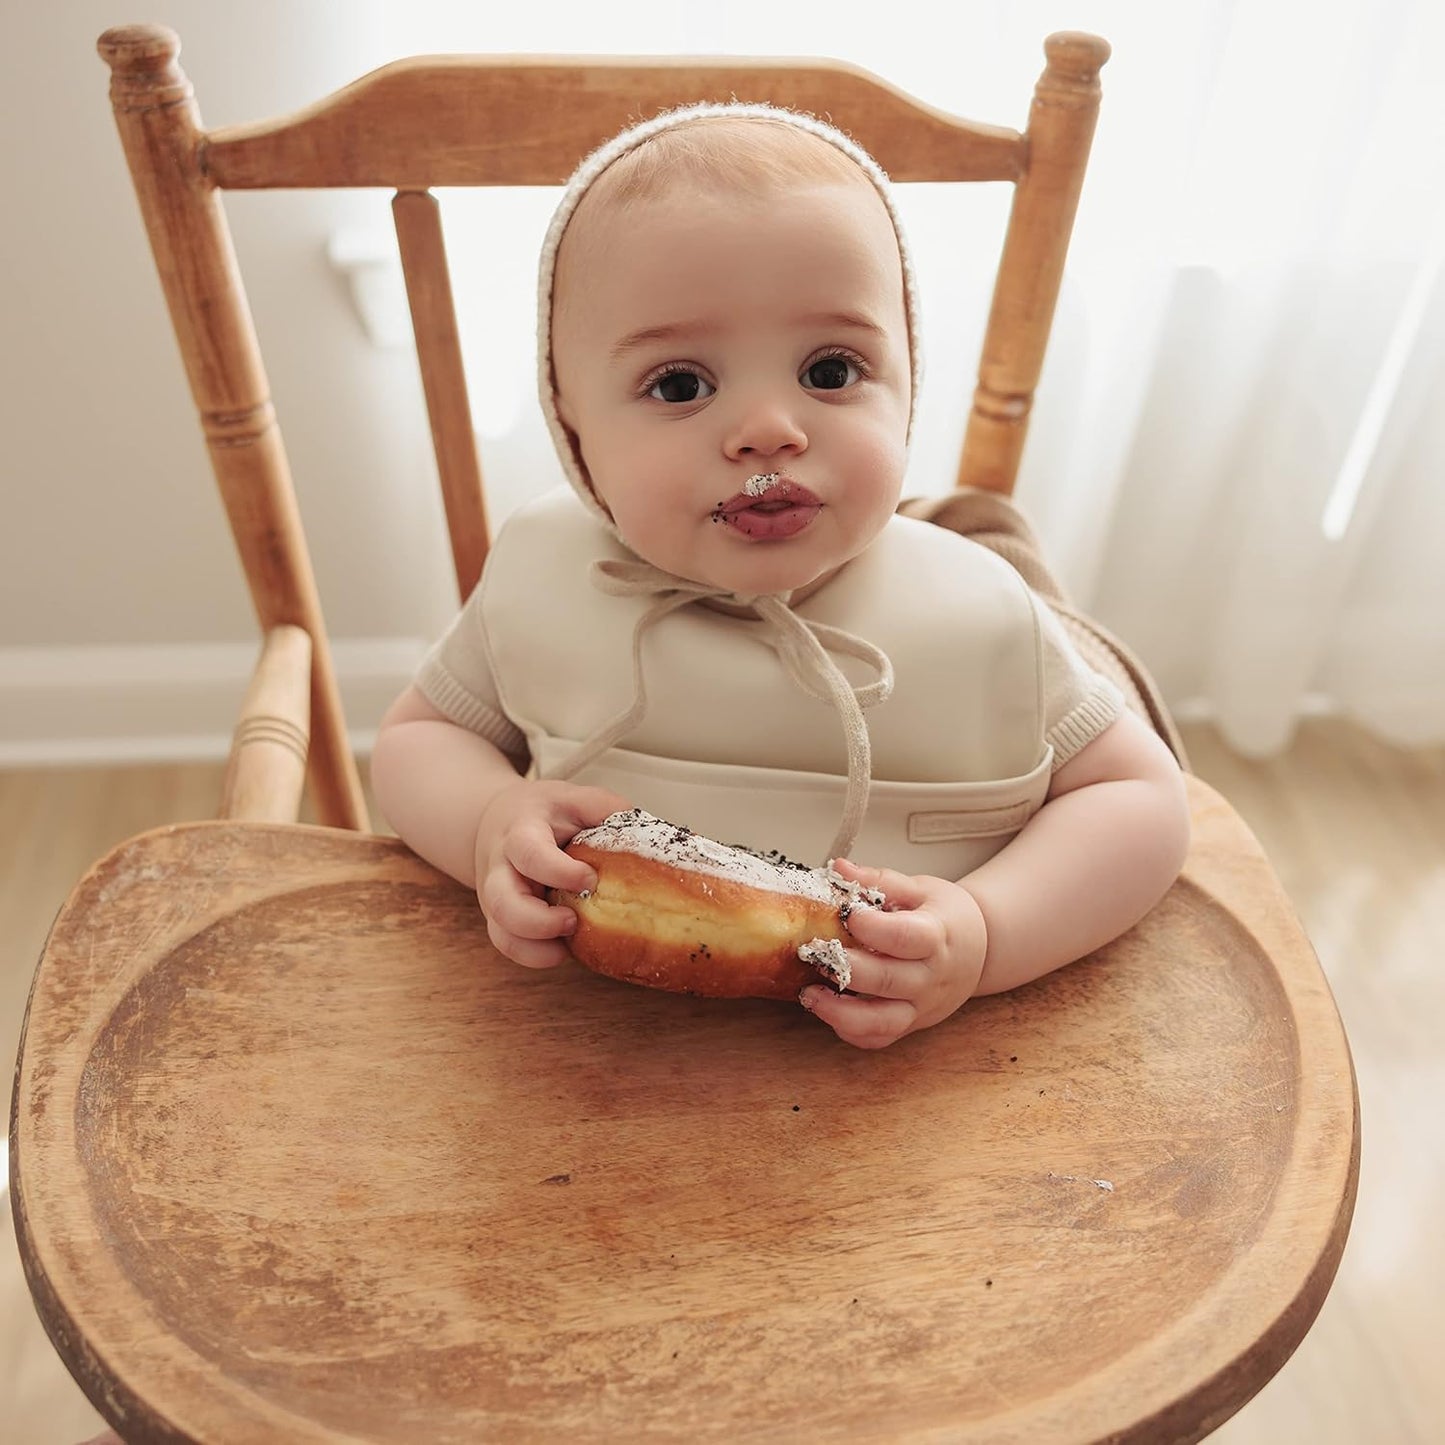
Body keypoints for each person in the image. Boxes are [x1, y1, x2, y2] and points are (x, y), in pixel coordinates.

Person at [369, 102, 1191, 1049]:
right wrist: (487, 819)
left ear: (908, 383)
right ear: (573, 429)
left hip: (934, 1070)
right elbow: (416, 738)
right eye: (679, 385)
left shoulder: (975, 615)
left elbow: (1141, 803)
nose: (769, 427)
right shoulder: (550, 575)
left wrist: (986, 931)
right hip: (603, 1051)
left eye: (831, 370)